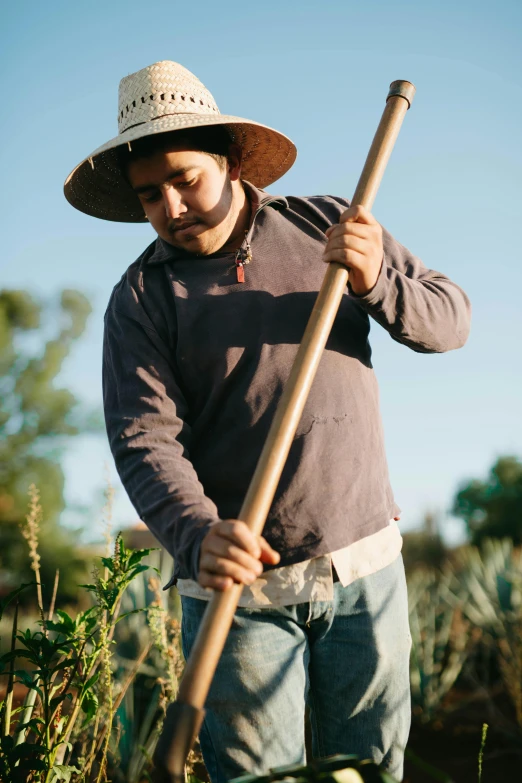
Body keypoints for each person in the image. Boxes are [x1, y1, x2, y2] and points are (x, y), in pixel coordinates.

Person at [65, 60, 471, 783]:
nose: (170, 205)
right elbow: (143, 439)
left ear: (226, 160)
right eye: (149, 194)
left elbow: (450, 321)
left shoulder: (326, 223)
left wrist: (377, 279)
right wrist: (196, 534)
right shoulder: (140, 299)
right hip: (238, 591)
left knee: (370, 770)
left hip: (363, 562)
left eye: (184, 178)